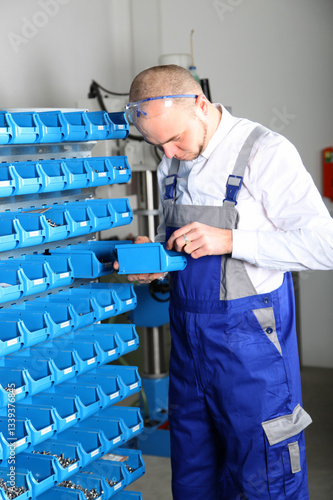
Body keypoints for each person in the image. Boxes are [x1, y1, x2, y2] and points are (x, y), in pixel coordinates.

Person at [119, 64, 333, 500]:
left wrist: (232, 240)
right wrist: (157, 258)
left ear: (200, 104)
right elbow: (180, 243)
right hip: (190, 352)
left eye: (175, 139)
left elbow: (324, 245)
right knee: (194, 475)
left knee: (265, 477)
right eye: (159, 145)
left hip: (252, 354)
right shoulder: (173, 162)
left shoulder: (265, 152)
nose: (171, 154)